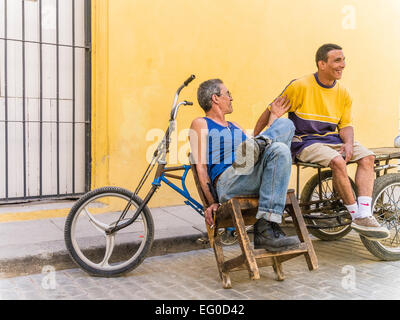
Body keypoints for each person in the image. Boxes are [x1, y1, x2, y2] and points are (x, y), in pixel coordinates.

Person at [253, 43, 389, 240]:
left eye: (343, 60)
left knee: (368, 157)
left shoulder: (344, 93)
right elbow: (270, 112)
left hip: (331, 139)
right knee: (338, 162)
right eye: (337, 60)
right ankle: (355, 216)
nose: (342, 65)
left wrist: (349, 143)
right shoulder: (300, 86)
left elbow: (346, 126)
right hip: (304, 142)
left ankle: (365, 214)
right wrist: (256, 140)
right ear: (321, 64)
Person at [189, 79, 300, 252]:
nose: (231, 98)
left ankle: (265, 229)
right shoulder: (200, 123)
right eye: (228, 94)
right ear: (215, 98)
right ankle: (258, 143)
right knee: (263, 148)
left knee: (283, 136)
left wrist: (274, 117)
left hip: (250, 174)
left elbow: (267, 149)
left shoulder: (236, 126)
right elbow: (201, 167)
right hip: (229, 180)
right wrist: (211, 202)